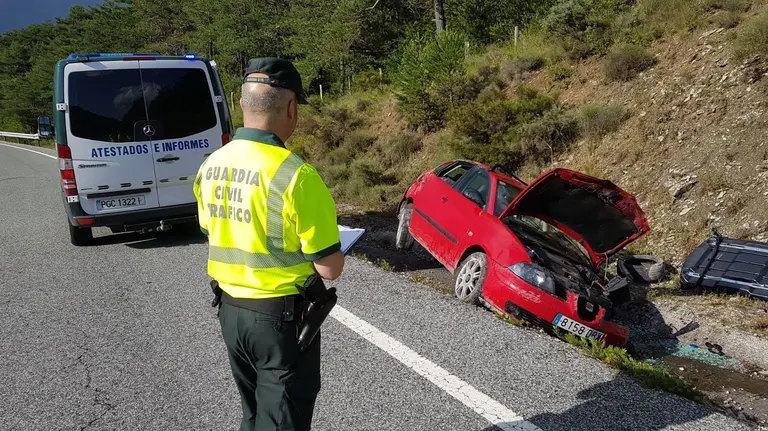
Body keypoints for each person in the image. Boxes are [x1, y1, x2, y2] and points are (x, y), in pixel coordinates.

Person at [193, 57, 345, 431]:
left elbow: (213, 229)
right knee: (281, 421)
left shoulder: (211, 164)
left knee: (254, 414)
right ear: (291, 108)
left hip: (230, 312)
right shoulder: (296, 174)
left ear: (243, 104)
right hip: (280, 321)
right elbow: (329, 268)